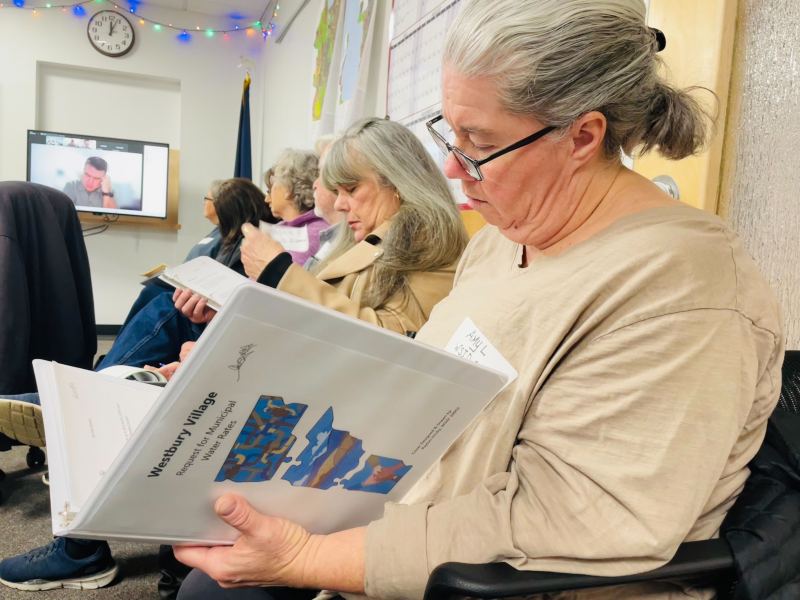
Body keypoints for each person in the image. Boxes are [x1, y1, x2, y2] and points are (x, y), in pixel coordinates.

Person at [173, 2, 783, 599]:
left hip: (500, 577)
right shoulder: (498, 243)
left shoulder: (684, 287)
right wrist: (255, 380)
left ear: (583, 135)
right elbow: (428, 378)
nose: (453, 168)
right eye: (449, 130)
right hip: (407, 510)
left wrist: (307, 558)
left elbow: (567, 522)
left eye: (477, 140)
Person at [172, 117, 468, 339]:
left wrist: (278, 272)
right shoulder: (368, 237)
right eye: (337, 191)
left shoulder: (427, 238)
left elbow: (394, 342)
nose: (339, 205)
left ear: (398, 181)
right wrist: (231, 311)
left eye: (351, 189)